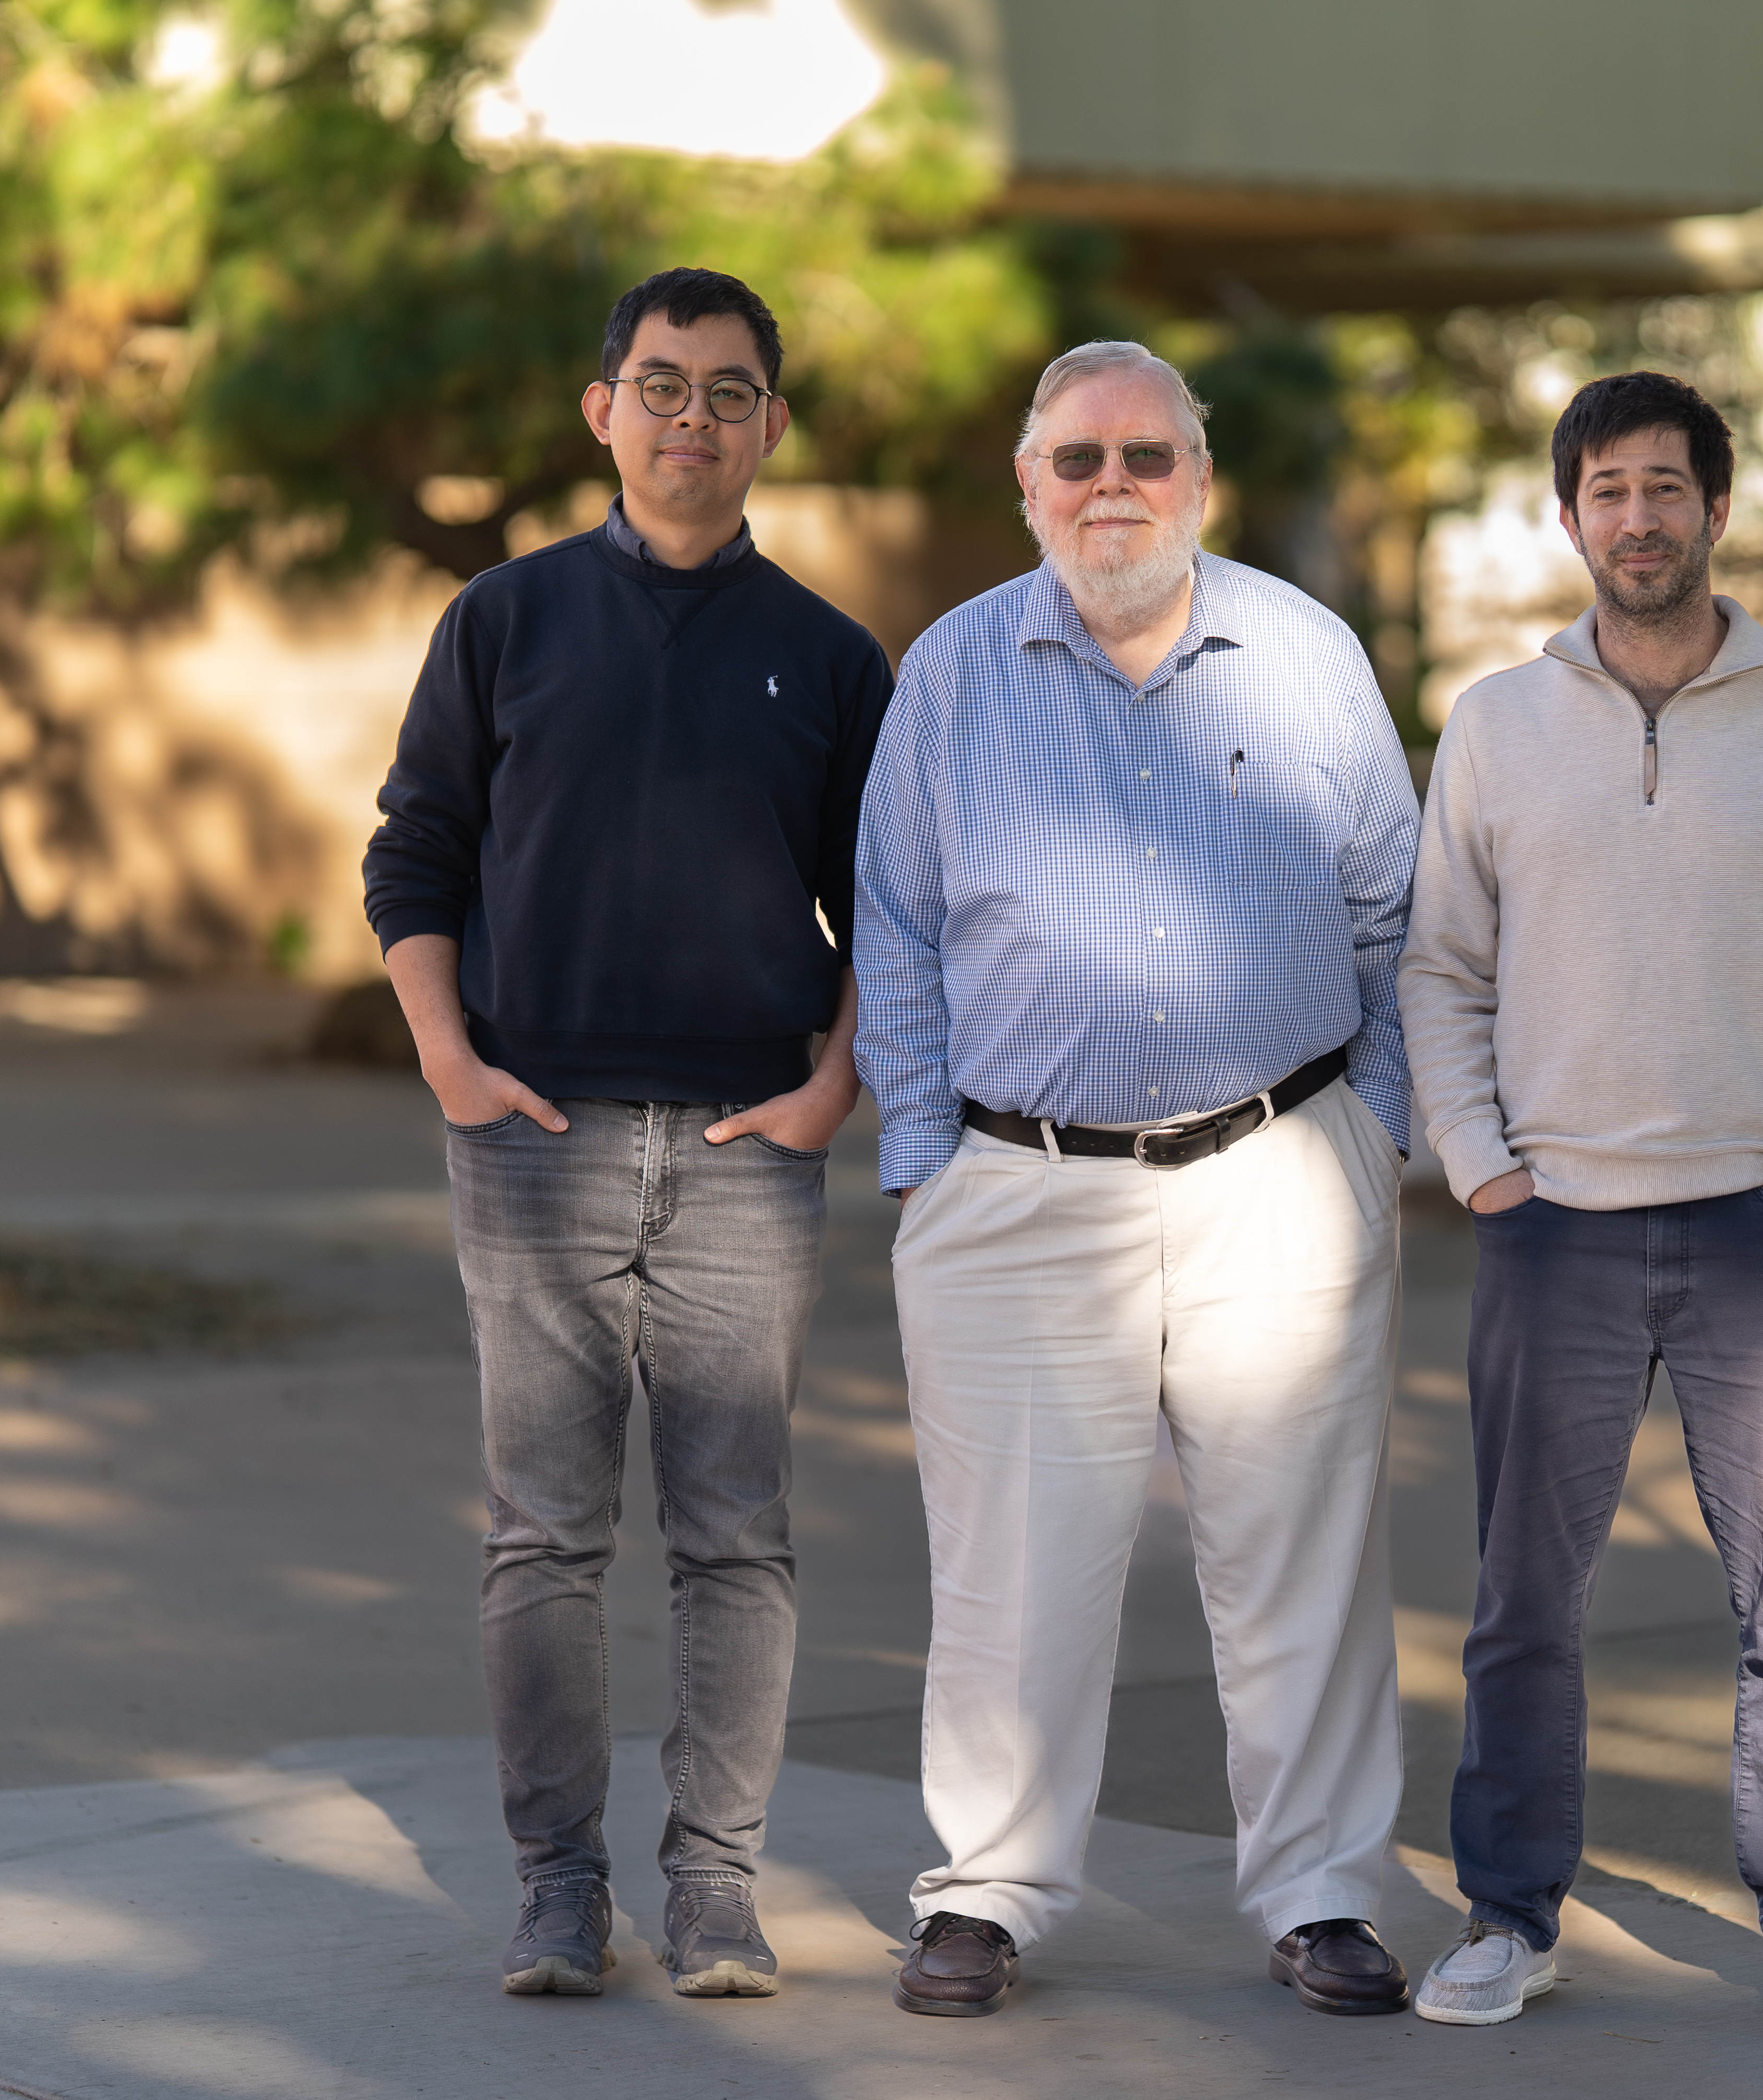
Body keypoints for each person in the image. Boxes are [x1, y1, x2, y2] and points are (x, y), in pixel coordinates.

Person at [851, 340, 1420, 2021]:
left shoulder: (1309, 657)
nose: (1115, 487)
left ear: (1201, 482)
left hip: (1283, 1178)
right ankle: (989, 1896)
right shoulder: (952, 673)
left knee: (1301, 1558)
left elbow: (1398, 914)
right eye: (1080, 458)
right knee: (1015, 1569)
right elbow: (892, 924)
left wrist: (1369, 1134)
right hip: (1018, 1191)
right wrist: (924, 1163)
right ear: (1028, 486)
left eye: (1148, 458)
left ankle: (1322, 1895)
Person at [1398, 371, 1763, 2035]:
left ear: (1719, 510)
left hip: (1760, 1231)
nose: (1637, 518)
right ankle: (1508, 1911)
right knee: (1521, 1599)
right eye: (1606, 491)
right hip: (1549, 1225)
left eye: (1666, 488)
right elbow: (1439, 969)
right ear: (1566, 518)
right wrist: (1486, 1162)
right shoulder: (1497, 723)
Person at [362, 267, 893, 2002]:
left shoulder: (826, 657)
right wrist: (447, 1054)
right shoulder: (504, 620)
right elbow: (415, 853)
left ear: (770, 427)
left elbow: (889, 907)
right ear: (603, 410)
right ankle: (558, 1891)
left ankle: (719, 1893)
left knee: (737, 1536)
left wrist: (835, 1083)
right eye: (660, 385)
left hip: (751, 1146)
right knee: (546, 1534)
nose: (692, 418)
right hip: (533, 1133)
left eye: (729, 392)